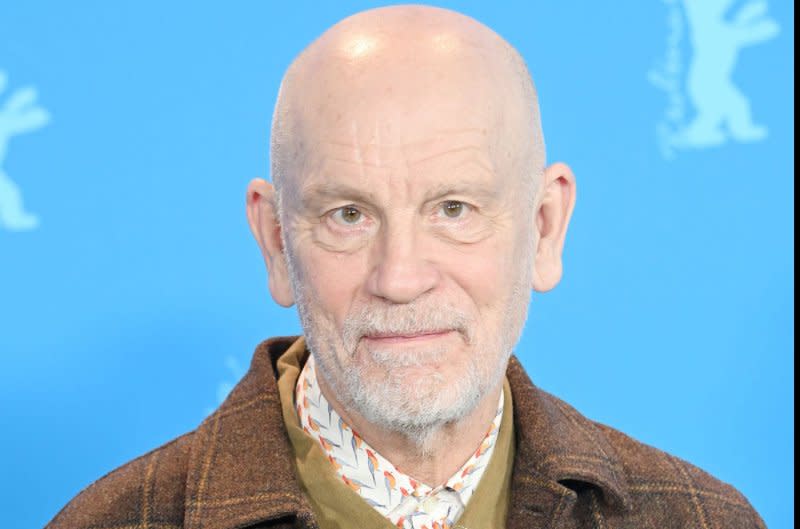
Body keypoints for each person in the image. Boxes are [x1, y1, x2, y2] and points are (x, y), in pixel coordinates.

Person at [45, 5, 765, 529]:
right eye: (347, 216)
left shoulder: (704, 519)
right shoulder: (113, 521)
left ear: (544, 227)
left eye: (453, 209)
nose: (400, 277)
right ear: (275, 242)